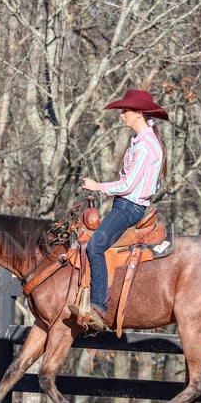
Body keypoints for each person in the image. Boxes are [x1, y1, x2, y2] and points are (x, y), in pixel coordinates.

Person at [68, 89, 169, 331]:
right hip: (126, 204)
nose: (122, 115)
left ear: (139, 114)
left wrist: (98, 186)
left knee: (95, 246)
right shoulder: (142, 142)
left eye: (126, 111)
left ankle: (97, 306)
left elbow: (127, 185)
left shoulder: (145, 146)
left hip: (129, 207)